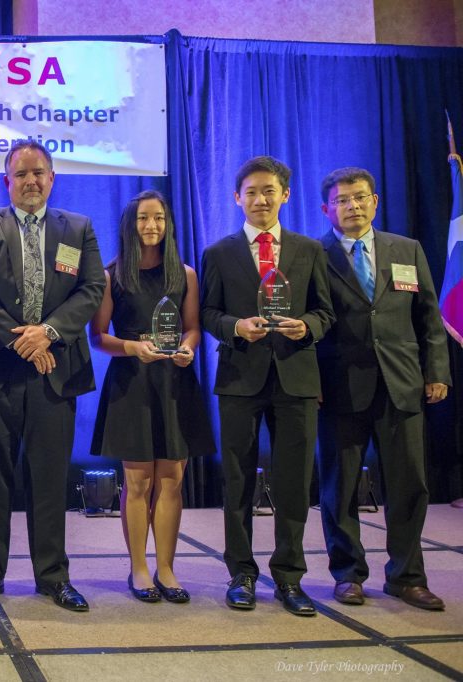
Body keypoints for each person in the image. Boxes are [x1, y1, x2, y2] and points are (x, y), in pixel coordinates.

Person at [0, 140, 105, 612]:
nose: (31, 181)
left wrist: (49, 333)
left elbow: (92, 287)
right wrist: (21, 339)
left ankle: (53, 576)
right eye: (21, 174)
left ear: (52, 178)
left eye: (39, 172)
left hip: (54, 370)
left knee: (50, 477)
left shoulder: (78, 228)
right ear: (7, 181)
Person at [200, 155, 334, 616]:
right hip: (240, 377)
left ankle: (290, 577)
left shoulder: (309, 249)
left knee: (294, 481)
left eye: (269, 191)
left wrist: (307, 326)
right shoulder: (219, 253)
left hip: (297, 377)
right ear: (236, 198)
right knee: (237, 480)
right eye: (251, 192)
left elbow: (325, 311)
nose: (260, 199)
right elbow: (208, 314)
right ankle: (241, 573)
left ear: (285, 196)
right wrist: (236, 327)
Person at [315, 167, 450, 610]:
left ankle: (407, 577)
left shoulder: (406, 249)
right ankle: (347, 574)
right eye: (342, 200)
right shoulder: (314, 255)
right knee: (340, 487)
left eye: (359, 197)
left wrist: (437, 372)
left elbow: (428, 317)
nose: (352, 206)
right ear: (326, 208)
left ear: (375, 201)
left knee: (409, 485)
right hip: (339, 387)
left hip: (402, 383)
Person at [89, 190, 213, 604]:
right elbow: (98, 337)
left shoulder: (185, 274)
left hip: (175, 383)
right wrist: (131, 347)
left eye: (159, 218)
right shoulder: (112, 275)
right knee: (138, 481)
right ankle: (139, 568)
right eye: (143, 218)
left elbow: (193, 328)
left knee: (172, 479)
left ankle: (167, 568)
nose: (151, 225)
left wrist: (188, 348)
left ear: (168, 224)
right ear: (130, 224)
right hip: (132, 383)